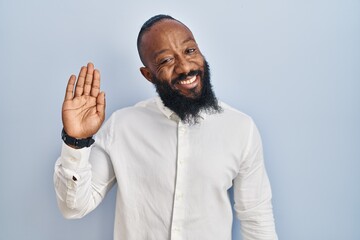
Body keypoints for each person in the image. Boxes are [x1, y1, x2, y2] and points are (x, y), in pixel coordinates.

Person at [54, 14, 278, 240]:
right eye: (166, 60)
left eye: (190, 51)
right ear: (148, 75)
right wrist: (76, 142)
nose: (185, 67)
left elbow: (256, 221)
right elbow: (73, 208)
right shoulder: (122, 127)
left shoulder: (240, 128)